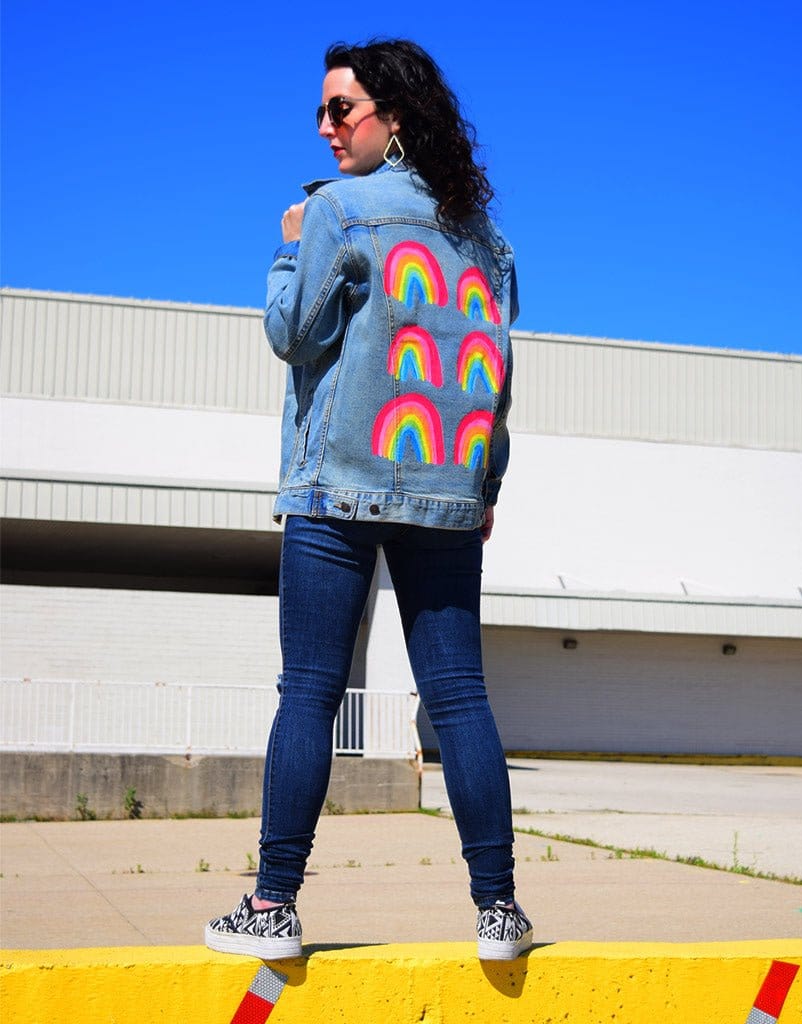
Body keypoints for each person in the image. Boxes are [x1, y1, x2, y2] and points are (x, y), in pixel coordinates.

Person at [204, 39, 529, 961]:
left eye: (340, 109)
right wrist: (484, 487)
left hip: (336, 487)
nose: (325, 127)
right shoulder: (486, 242)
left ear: (394, 116)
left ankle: (273, 906)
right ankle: (499, 912)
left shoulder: (335, 212)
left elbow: (292, 333)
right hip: (447, 493)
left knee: (309, 691)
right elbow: (493, 376)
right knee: (459, 697)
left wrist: (288, 246)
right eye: (321, 111)